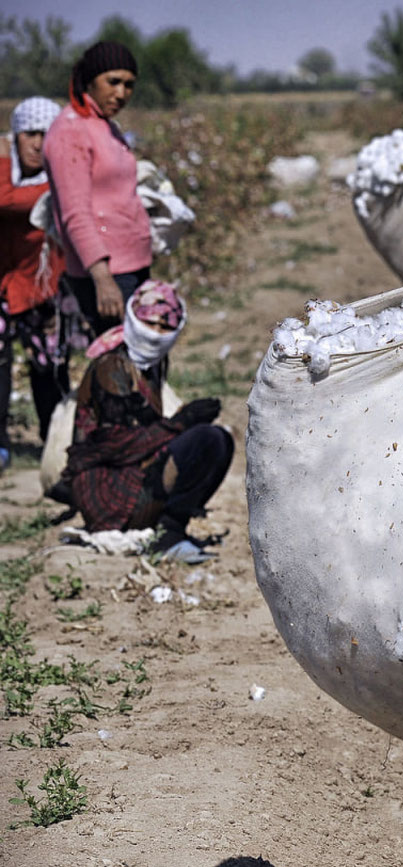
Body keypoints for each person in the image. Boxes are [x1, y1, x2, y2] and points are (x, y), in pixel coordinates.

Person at [61, 280, 232, 563]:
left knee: (218, 440)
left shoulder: (153, 364)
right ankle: (166, 536)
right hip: (103, 488)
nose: (155, 334)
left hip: (134, 469)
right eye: (149, 324)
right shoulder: (112, 366)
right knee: (205, 439)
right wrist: (181, 423)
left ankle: (170, 529)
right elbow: (112, 446)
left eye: (165, 328)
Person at [43, 40, 152, 337]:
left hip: (131, 265)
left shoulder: (105, 126)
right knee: (119, 357)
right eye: (113, 82)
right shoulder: (70, 131)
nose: (122, 93)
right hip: (107, 272)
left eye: (129, 85)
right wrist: (102, 278)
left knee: (140, 355)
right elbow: (74, 213)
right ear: (89, 80)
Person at [0, 96, 69, 469]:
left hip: (43, 289)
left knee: (49, 367)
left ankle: (55, 441)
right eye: (30, 134)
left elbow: (9, 200)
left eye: (48, 135)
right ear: (16, 136)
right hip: (4, 285)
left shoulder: (60, 179)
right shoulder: (7, 171)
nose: (39, 144)